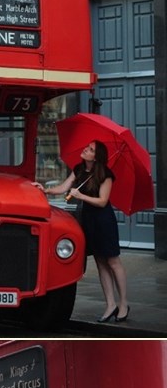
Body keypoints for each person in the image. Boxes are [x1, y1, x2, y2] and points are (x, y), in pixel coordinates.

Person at [41, 139, 129, 324]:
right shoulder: (79, 169)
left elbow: (103, 201)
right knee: (99, 262)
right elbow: (63, 188)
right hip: (88, 219)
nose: (85, 149)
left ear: (96, 157)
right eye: (86, 146)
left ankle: (123, 304)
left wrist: (81, 196)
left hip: (104, 220)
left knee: (112, 261)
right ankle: (110, 304)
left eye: (89, 149)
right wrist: (46, 190)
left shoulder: (105, 174)